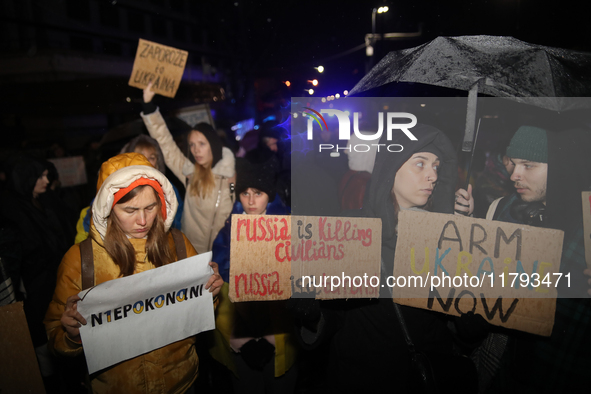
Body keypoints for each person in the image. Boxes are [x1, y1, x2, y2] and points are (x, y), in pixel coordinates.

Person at [294, 124, 479, 392]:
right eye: (420, 164)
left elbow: (458, 329)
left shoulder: (449, 236)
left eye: (437, 167)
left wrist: (474, 314)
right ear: (391, 168)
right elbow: (335, 318)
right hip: (360, 379)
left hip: (427, 379)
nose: (432, 176)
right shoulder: (352, 229)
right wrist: (312, 316)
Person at [44, 153, 223, 393]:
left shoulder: (178, 243)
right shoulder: (80, 259)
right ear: (108, 208)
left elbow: (194, 312)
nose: (143, 220)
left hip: (182, 382)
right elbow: (55, 334)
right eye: (130, 210)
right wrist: (72, 335)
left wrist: (209, 293)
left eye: (150, 207)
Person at [455, 125, 591, 392]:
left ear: (561, 166)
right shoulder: (502, 207)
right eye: (513, 163)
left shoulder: (586, 226)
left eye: (529, 165)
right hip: (503, 369)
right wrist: (467, 229)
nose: (515, 174)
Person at [208, 158, 296, 393]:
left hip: (279, 337)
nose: (251, 200)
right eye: (245, 193)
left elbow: (295, 291)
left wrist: (271, 340)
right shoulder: (228, 231)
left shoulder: (289, 227)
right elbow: (220, 293)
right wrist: (239, 342)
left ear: (270, 194)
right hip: (240, 339)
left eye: (258, 193)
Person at [0, 156, 72, 388]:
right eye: (39, 176)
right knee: (42, 343)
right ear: (26, 179)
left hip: (54, 281)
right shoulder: (14, 212)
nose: (46, 179)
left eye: (45, 174)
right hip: (35, 290)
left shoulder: (44, 201)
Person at [141, 83, 235, 253]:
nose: (196, 150)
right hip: (192, 255)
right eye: (192, 144)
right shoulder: (189, 172)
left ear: (213, 145)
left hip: (224, 256)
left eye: (201, 144)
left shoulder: (232, 175)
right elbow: (166, 144)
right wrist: (149, 107)